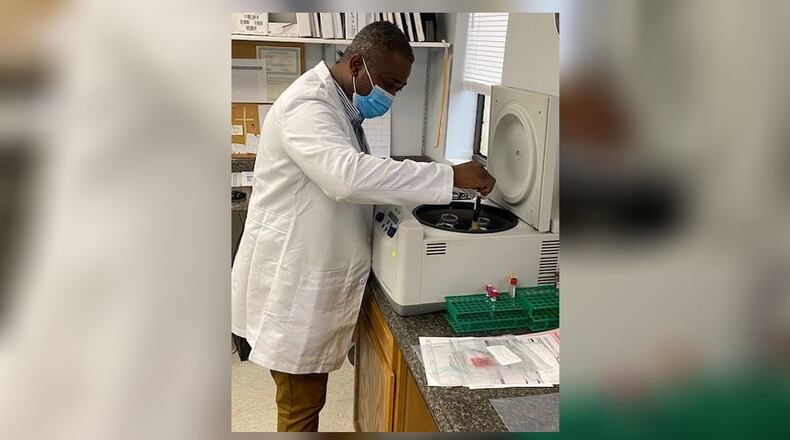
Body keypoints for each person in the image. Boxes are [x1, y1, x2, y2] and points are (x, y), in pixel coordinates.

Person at [231, 21, 495, 432]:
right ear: (357, 63)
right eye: (390, 83)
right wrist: (449, 176)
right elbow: (349, 177)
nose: (392, 95)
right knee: (299, 408)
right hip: (294, 280)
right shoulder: (309, 105)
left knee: (306, 400)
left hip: (313, 267)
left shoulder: (342, 105)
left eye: (400, 87)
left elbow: (363, 178)